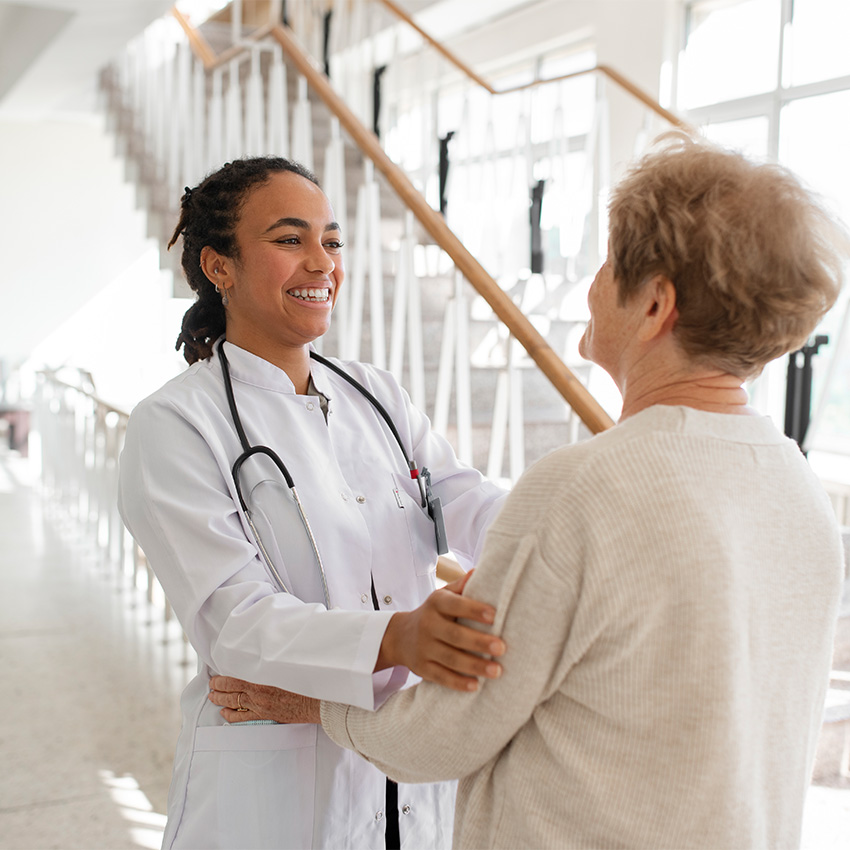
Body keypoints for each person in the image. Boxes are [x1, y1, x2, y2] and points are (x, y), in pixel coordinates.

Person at [210, 135, 850, 849]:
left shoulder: (582, 488)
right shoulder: (801, 491)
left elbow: (442, 738)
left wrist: (319, 708)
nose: (592, 284)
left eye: (611, 266)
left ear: (656, 304)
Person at [117, 156, 509, 850]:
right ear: (220, 267)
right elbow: (235, 625)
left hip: (406, 776)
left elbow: (465, 499)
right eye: (290, 240)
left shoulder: (377, 395)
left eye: (331, 241)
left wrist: (552, 537)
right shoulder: (175, 425)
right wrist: (399, 638)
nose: (321, 263)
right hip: (272, 795)